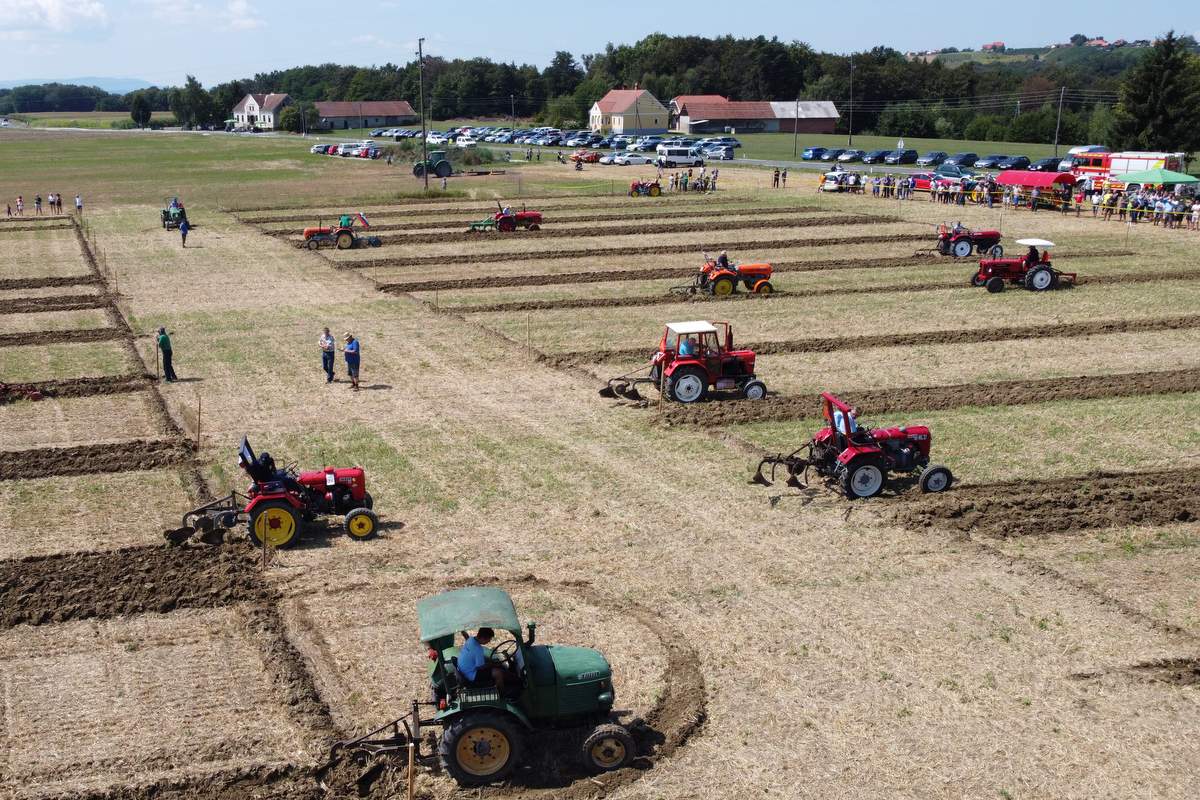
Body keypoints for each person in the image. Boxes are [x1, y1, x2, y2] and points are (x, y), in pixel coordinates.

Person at [457, 628, 515, 694]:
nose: (489, 641)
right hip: (471, 675)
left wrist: (490, 662)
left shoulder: (470, 640)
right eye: (489, 639)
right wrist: (493, 664)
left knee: (489, 660)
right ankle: (502, 693)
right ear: (483, 638)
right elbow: (480, 667)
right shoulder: (478, 649)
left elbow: (477, 658)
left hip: (464, 669)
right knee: (498, 672)